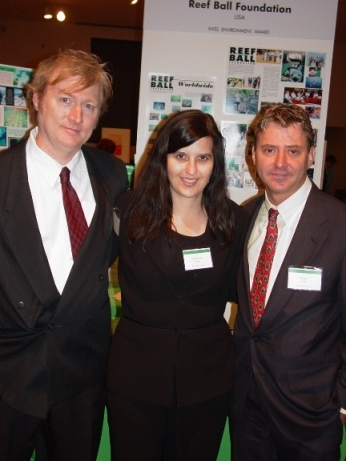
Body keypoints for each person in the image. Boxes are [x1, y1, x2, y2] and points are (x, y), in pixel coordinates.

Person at [0, 49, 128, 461]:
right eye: (65, 99)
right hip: (9, 373)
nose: (76, 116)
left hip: (82, 376)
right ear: (36, 98)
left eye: (88, 105)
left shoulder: (111, 174)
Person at [106, 109, 248, 461]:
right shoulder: (127, 212)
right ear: (163, 158)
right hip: (135, 378)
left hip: (208, 379)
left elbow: (240, 292)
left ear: (214, 163)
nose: (191, 169)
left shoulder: (234, 221)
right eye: (180, 156)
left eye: (202, 158)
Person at [231, 103, 346, 460]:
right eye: (269, 150)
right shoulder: (244, 218)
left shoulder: (340, 225)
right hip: (247, 407)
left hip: (311, 414)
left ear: (312, 155)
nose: (280, 163)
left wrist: (343, 402)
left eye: (293, 151)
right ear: (253, 156)